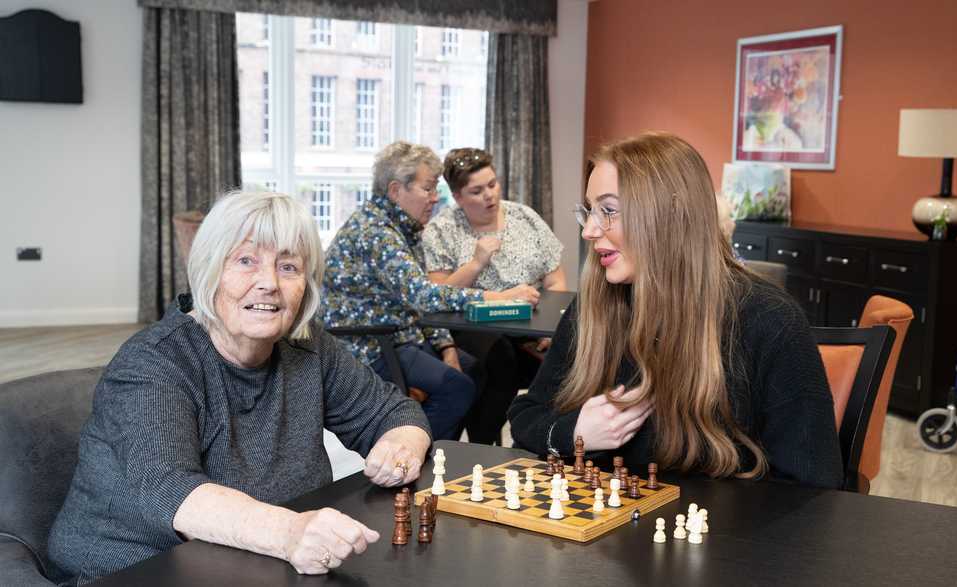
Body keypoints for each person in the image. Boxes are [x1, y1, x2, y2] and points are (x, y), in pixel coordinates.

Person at [48, 192, 434, 585]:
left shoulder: (308, 346)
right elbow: (170, 490)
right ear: (209, 271)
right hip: (136, 569)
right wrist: (289, 533)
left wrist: (400, 446)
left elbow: (394, 412)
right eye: (246, 261)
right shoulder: (154, 361)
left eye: (288, 267)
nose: (268, 283)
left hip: (250, 564)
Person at [507, 132, 842, 489]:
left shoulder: (769, 321)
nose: (589, 230)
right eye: (589, 211)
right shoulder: (593, 307)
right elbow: (526, 417)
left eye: (608, 211)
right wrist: (575, 432)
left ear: (670, 216)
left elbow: (812, 489)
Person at [321, 141, 539, 442]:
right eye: (428, 189)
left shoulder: (401, 229)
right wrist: (496, 297)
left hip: (400, 335)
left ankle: (463, 454)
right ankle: (411, 458)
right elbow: (425, 296)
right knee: (457, 388)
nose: (435, 199)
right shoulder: (376, 233)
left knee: (474, 369)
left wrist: (447, 347)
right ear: (397, 190)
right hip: (369, 345)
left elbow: (418, 302)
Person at [420, 147, 566, 444]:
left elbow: (556, 280)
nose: (489, 195)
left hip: (530, 324)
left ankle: (533, 445)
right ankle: (483, 447)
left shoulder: (524, 217)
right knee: (500, 359)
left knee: (568, 358)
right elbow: (436, 295)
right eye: (476, 191)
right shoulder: (441, 229)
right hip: (473, 326)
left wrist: (555, 329)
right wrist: (476, 263)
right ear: (458, 197)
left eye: (492, 184)